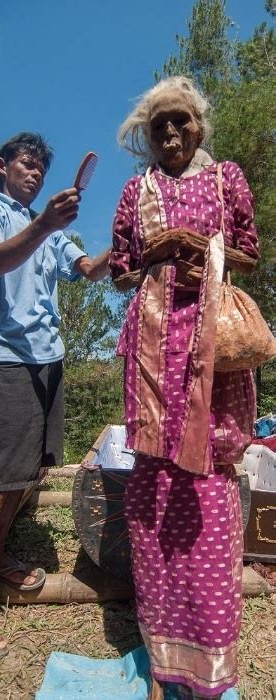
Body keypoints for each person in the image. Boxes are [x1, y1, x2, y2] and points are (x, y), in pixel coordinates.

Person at [109, 77, 259, 700]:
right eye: (158, 127)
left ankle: (211, 668)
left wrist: (207, 249)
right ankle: (166, 664)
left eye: (180, 123)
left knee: (207, 488)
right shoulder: (135, 191)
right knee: (155, 490)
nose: (169, 135)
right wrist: (155, 253)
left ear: (199, 125)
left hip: (211, 354)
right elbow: (118, 270)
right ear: (146, 136)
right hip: (150, 353)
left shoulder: (226, 179)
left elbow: (249, 251)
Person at [0, 132, 110, 664]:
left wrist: (129, 238)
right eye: (26, 165)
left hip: (51, 360)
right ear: (2, 166)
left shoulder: (55, 231)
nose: (36, 174)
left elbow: (88, 271)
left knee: (31, 471)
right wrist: (43, 222)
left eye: (42, 169)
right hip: (9, 358)